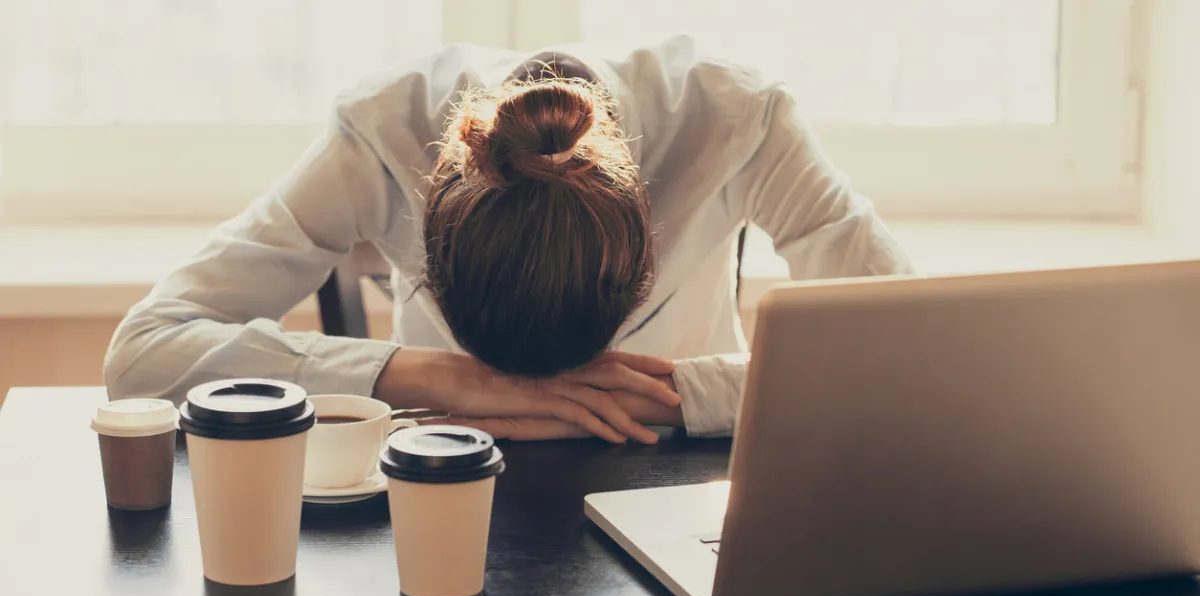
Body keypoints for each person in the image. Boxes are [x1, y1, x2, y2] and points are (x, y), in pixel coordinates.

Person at [104, 36, 914, 444]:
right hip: (450, 459)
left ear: (642, 242)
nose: (556, 393)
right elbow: (144, 352)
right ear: (433, 234)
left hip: (678, 474)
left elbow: (917, 354)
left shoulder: (741, 119)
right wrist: (441, 378)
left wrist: (674, 394)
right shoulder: (384, 129)